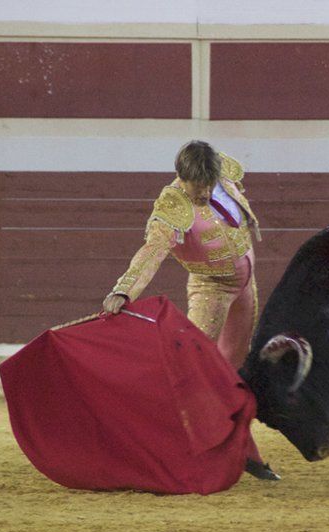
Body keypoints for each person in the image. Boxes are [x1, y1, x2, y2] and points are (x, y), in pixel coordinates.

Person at [102, 140, 279, 481]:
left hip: (245, 288)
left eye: (207, 185)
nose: (202, 193)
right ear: (180, 177)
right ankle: (189, 449)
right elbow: (152, 251)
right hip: (210, 290)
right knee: (195, 376)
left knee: (232, 375)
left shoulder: (221, 173)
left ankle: (240, 448)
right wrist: (124, 289)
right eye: (196, 187)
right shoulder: (172, 207)